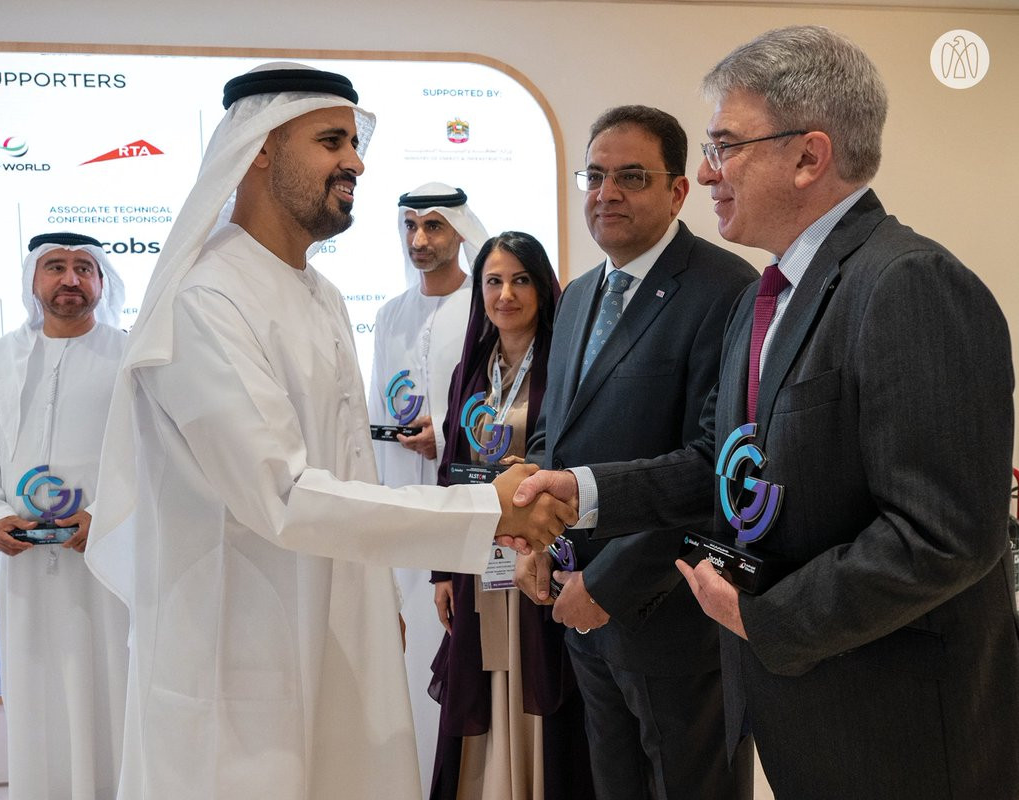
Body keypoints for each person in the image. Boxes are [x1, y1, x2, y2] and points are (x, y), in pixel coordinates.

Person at [515, 26, 1019, 799]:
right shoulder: (770, 294)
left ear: (808, 157)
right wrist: (581, 491)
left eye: (724, 146)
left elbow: (944, 535)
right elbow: (719, 465)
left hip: (896, 728)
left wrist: (769, 618)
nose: (706, 173)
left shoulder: (908, 283)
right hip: (804, 706)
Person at [83, 63, 574, 800]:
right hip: (237, 647)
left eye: (354, 141)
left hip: (340, 628)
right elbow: (282, 495)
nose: (356, 162)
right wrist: (487, 509)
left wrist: (375, 601)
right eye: (330, 141)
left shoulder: (321, 294)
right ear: (258, 146)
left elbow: (347, 468)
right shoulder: (205, 299)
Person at [514, 106, 756, 800]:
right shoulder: (577, 295)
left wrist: (610, 585)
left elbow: (716, 468)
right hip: (577, 608)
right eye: (594, 176)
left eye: (631, 177)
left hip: (671, 619)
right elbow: (553, 435)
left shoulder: (725, 291)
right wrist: (534, 537)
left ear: (677, 191)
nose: (606, 193)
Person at [0, 231, 129, 800]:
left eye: (84, 268)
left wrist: (106, 515)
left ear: (102, 283)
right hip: (25, 564)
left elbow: (156, 450)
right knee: (36, 690)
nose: (70, 280)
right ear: (34, 279)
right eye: (55, 267)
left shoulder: (131, 358)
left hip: (107, 561)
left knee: (113, 684)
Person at [429, 231, 596, 800]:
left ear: (543, 288)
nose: (506, 295)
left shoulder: (565, 365)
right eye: (494, 281)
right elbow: (450, 466)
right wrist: (443, 571)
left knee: (537, 678)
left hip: (540, 556)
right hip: (478, 559)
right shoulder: (471, 371)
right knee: (480, 676)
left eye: (520, 280)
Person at [369, 182, 489, 793]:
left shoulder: (484, 306)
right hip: (399, 508)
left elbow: (497, 407)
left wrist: (443, 436)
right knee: (404, 656)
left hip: (462, 513)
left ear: (460, 231)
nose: (420, 239)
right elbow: (374, 410)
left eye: (434, 226)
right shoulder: (389, 314)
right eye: (411, 226)